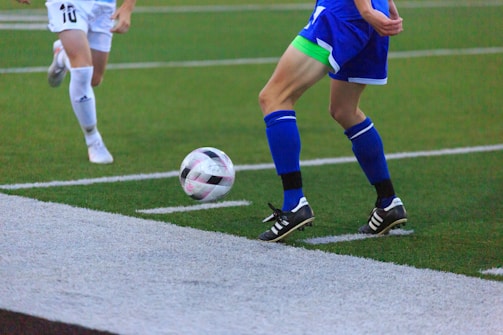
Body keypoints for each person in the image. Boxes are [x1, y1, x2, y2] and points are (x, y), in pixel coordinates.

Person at [258, 0, 408, 242]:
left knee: (274, 97)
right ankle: (388, 202)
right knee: (344, 110)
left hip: (344, 13)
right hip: (370, 11)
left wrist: (366, 10)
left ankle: (294, 203)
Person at [17, 0, 136, 164]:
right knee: (82, 71)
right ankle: (93, 140)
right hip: (68, 2)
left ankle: (63, 55)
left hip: (104, 5)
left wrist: (127, 7)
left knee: (94, 78)